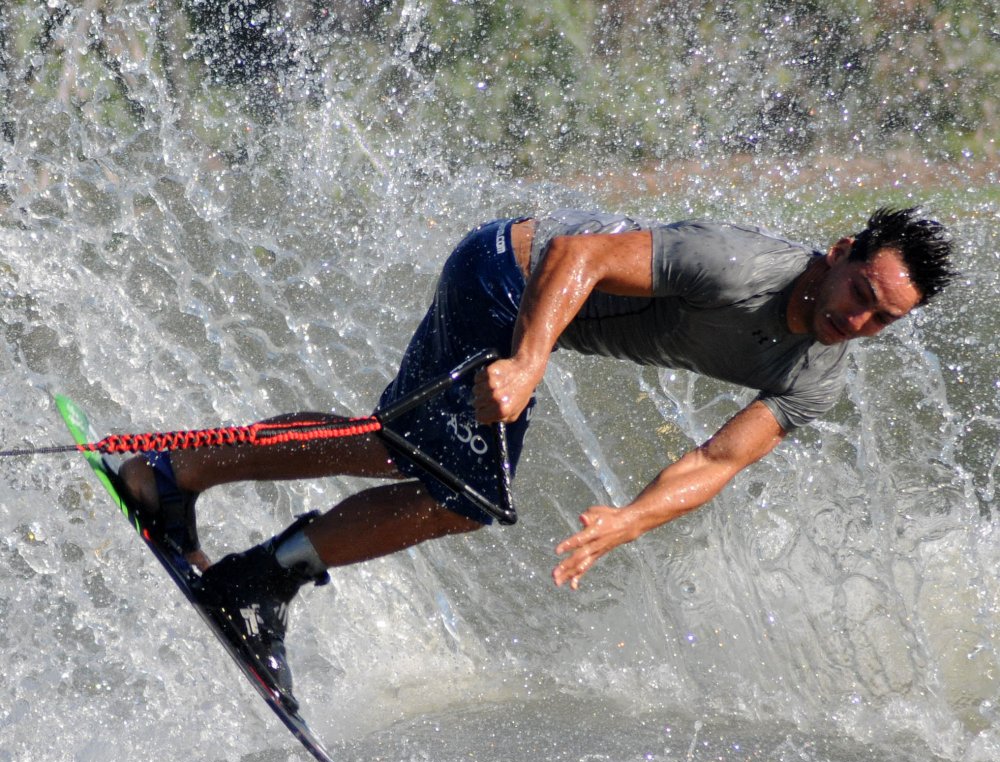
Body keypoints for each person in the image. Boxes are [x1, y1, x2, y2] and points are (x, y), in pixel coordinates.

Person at [120, 206, 954, 710]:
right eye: (860, 296)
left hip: (526, 321)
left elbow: (718, 459)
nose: (858, 323)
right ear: (842, 250)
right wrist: (528, 361)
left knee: (401, 452)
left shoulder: (817, 374)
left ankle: (183, 482)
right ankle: (253, 570)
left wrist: (627, 521)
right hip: (503, 274)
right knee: (459, 489)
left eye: (883, 321)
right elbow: (577, 256)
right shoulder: (740, 265)